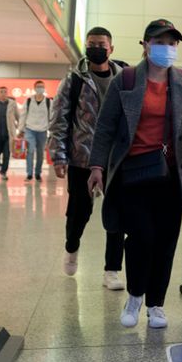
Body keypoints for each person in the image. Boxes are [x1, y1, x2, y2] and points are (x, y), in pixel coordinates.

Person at [88, 19, 182, 330]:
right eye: (160, 41)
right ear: (145, 44)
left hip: (172, 176)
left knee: (166, 241)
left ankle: (156, 305)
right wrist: (97, 166)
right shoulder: (125, 81)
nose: (167, 48)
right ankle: (135, 295)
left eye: (172, 42)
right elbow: (105, 128)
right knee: (141, 238)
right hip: (133, 174)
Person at [47, 26, 127, 288]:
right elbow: (59, 118)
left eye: (101, 44)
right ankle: (72, 247)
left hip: (116, 159)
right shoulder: (75, 79)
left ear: (111, 48)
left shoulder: (125, 77)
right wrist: (58, 155)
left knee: (117, 214)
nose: (96, 48)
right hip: (82, 157)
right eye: (92, 44)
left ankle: (112, 269)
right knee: (79, 212)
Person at [18, 80, 52, 181]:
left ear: (44, 88)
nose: (40, 88)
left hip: (43, 130)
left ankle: (38, 173)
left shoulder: (48, 102)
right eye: (38, 86)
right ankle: (29, 174)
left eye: (42, 86)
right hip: (30, 130)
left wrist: (52, 131)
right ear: (34, 88)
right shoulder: (28, 101)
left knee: (40, 153)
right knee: (30, 151)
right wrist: (21, 129)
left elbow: (52, 117)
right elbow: (23, 115)